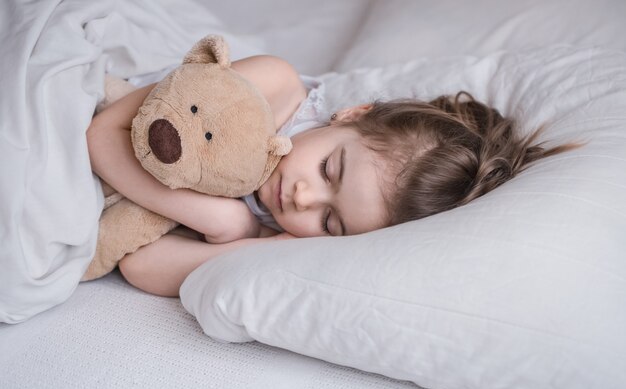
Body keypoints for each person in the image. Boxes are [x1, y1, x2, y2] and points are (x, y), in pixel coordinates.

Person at [87, 55, 576, 297]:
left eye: (331, 223)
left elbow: (141, 265)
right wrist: (222, 218)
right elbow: (105, 132)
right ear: (351, 114)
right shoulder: (273, 87)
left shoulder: (286, 236)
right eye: (329, 169)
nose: (303, 200)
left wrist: (251, 243)